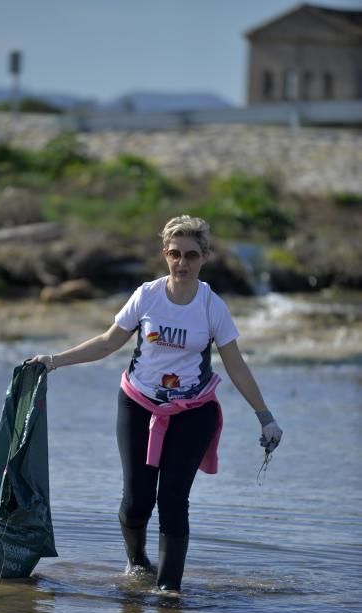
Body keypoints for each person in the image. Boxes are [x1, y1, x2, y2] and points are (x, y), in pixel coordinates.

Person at [29, 215, 283, 592]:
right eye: (175, 254)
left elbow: (236, 366)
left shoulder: (212, 306)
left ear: (205, 257)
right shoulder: (147, 295)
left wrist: (266, 417)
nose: (183, 263)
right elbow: (107, 342)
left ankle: (169, 591)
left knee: (173, 500)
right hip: (137, 403)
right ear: (165, 254)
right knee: (136, 501)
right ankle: (137, 564)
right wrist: (52, 361)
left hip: (192, 412)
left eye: (192, 256)